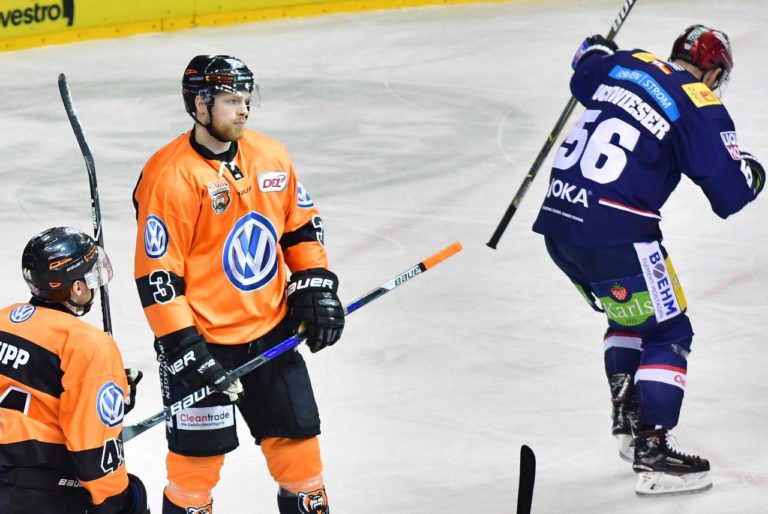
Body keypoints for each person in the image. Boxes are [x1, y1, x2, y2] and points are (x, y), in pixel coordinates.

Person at [532, 25, 764, 496]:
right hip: (616, 234)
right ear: (714, 71)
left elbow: (585, 64)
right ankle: (654, 449)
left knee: (631, 314)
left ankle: (627, 418)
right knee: (668, 329)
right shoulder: (699, 101)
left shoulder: (627, 63)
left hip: (559, 223)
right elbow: (730, 194)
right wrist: (755, 172)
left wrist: (597, 44)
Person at [133, 55, 345, 514]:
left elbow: (301, 228)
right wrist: (185, 349)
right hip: (202, 345)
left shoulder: (271, 155)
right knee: (194, 475)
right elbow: (157, 277)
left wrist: (313, 282)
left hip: (272, 335)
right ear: (200, 106)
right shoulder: (170, 176)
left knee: (302, 462)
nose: (244, 110)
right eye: (232, 100)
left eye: (246, 99)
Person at [0, 227, 149, 513]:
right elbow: (93, 455)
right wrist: (119, 503)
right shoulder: (88, 345)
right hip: (37, 493)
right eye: (91, 277)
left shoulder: (5, 319)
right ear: (77, 287)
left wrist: (100, 395)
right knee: (133, 497)